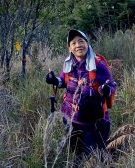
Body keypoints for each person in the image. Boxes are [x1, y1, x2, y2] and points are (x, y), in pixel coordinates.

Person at [46, 29, 116, 158]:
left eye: (81, 41)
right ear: (69, 48)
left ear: (87, 44)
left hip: (93, 123)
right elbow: (64, 82)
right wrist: (54, 80)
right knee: (76, 156)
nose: (78, 45)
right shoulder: (69, 63)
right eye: (73, 43)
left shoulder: (98, 65)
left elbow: (112, 85)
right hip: (71, 119)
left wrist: (106, 89)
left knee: (94, 158)